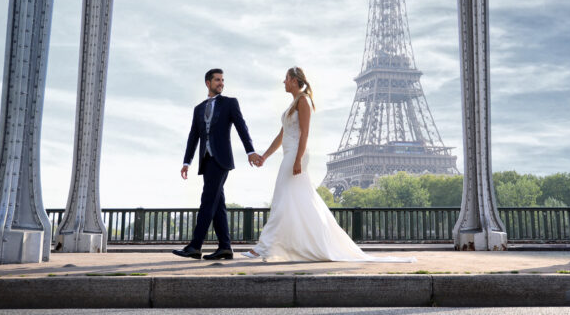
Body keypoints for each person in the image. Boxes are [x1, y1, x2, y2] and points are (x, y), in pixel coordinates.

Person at [241, 66, 415, 263]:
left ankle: (263, 247)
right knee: (298, 201)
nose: (283, 82)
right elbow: (281, 136)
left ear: (295, 80)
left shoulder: (303, 101)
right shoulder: (293, 104)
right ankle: (312, 241)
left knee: (281, 201)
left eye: (286, 78)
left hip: (296, 155)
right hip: (289, 154)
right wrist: (264, 156)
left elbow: (305, 133)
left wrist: (298, 159)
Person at [173, 68, 263, 260]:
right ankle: (225, 247)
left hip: (221, 160)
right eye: (217, 80)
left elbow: (241, 127)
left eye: (222, 80)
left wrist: (250, 151)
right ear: (208, 83)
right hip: (206, 161)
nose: (221, 83)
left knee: (207, 201)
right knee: (217, 203)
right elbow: (193, 137)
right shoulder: (198, 109)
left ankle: (195, 246)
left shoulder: (230, 103)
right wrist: (186, 162)